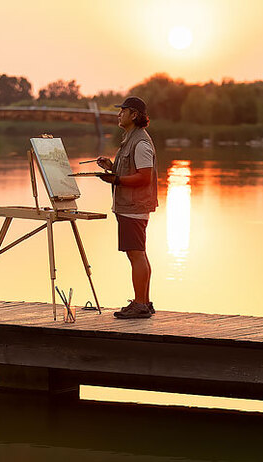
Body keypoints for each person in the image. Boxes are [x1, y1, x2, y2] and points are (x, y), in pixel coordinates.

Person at [96, 96, 158, 319]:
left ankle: (140, 304)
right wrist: (112, 168)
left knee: (136, 255)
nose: (118, 115)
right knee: (139, 254)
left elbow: (144, 178)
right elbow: (131, 172)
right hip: (130, 206)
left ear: (134, 115)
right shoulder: (131, 139)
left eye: (123, 111)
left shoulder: (140, 142)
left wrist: (115, 180)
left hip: (133, 207)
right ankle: (144, 301)